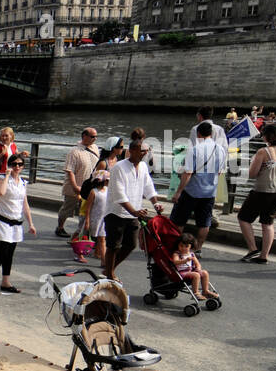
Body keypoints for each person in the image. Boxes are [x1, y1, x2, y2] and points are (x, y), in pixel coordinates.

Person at [103, 140, 163, 281]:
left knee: (131, 244)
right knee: (114, 245)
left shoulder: (142, 166)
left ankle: (108, 269)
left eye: (146, 150)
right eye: (142, 150)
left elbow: (148, 186)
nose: (145, 153)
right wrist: (134, 212)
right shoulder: (119, 167)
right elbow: (119, 194)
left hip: (133, 212)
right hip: (116, 212)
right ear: (132, 150)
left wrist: (156, 203)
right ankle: (110, 273)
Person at [237, 122, 276, 264]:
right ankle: (264, 256)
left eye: (264, 135)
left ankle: (252, 248)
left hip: (262, 191)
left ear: (270, 136)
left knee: (244, 218)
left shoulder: (263, 152)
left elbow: (252, 173)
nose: (263, 137)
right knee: (268, 224)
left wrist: (251, 162)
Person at [171, 120, 226, 252]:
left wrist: (178, 192)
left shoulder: (194, 149)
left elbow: (188, 173)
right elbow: (220, 172)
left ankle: (176, 247)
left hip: (192, 191)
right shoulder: (220, 150)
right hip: (209, 192)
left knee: (179, 220)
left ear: (198, 133)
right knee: (204, 223)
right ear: (211, 134)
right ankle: (198, 249)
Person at [0, 156, 36, 296]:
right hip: (2, 221)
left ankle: (5, 281)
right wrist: (7, 175)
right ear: (9, 165)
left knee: (10, 254)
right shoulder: (2, 179)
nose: (17, 167)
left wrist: (31, 223)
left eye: (20, 164)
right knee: (2, 253)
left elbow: (25, 205)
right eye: (14, 164)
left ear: (23, 166)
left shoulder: (23, 183)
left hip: (15, 223)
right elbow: (0, 192)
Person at [57, 127, 99, 237]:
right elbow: (70, 171)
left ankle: (83, 231)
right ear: (84, 136)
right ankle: (60, 227)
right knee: (68, 208)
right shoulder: (74, 151)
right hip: (74, 186)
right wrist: (75, 186)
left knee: (85, 210)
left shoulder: (95, 148)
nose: (95, 139)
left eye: (96, 136)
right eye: (92, 136)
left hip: (88, 186)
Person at [172, 233, 218, 299]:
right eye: (181, 246)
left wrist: (198, 268)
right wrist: (184, 261)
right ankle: (196, 293)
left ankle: (205, 291)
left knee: (205, 273)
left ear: (190, 246)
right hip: (182, 273)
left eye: (186, 246)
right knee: (196, 275)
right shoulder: (177, 254)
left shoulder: (191, 254)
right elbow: (175, 262)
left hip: (190, 271)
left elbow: (197, 263)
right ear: (178, 245)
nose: (183, 248)